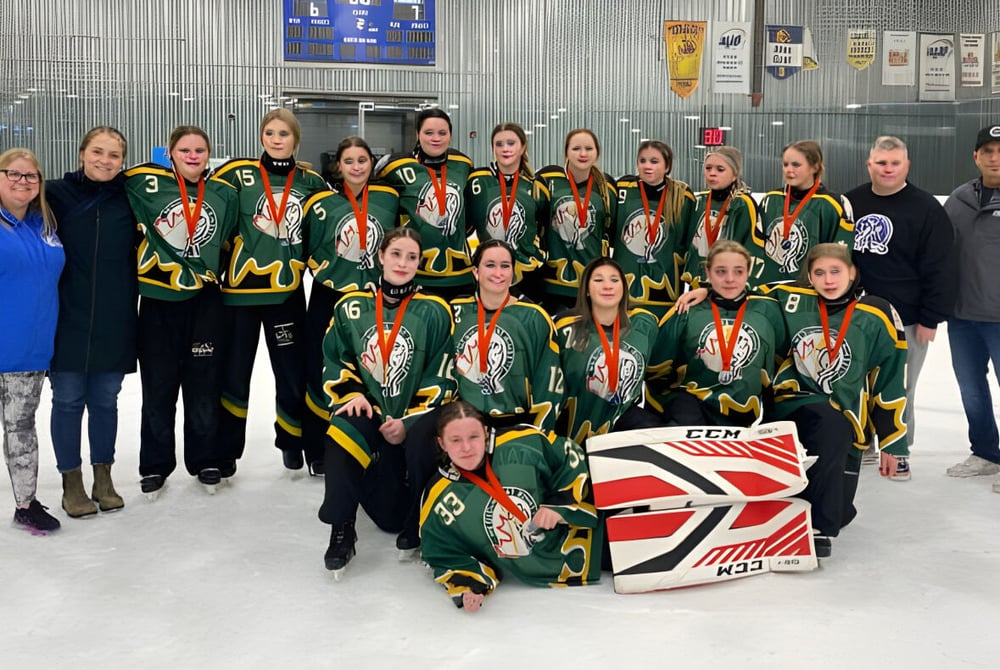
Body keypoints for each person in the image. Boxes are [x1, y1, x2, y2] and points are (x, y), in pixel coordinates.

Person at [318, 227, 455, 575]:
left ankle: (418, 520)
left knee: (392, 518)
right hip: (371, 411)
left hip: (412, 421)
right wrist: (350, 393)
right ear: (380, 256)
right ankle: (342, 528)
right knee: (342, 429)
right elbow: (335, 358)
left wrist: (408, 422)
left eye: (412, 257)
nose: (403, 263)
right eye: (396, 254)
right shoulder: (350, 305)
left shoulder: (435, 310)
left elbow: (442, 372)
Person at [766, 244, 907, 557]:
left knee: (841, 512)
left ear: (852, 273)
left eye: (835, 271)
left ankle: (821, 513)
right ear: (809, 277)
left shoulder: (876, 313)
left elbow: (891, 378)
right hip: (793, 403)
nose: (828, 280)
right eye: (819, 273)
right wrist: (704, 292)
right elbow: (737, 289)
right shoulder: (791, 300)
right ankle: (815, 527)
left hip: (848, 418)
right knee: (828, 425)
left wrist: (893, 443)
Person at [125, 126, 239, 497]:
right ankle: (155, 465)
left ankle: (206, 458)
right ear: (170, 153)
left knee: (204, 383)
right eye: (185, 150)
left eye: (200, 150)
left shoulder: (223, 193)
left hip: (205, 301)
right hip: (159, 300)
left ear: (208, 155)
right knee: (158, 386)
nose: (193, 156)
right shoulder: (146, 184)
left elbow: (229, 240)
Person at [214, 109, 328, 476]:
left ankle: (292, 442)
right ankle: (227, 449)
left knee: (291, 373)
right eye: (270, 133)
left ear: (296, 139)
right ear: (261, 137)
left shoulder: (311, 181)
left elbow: (325, 229)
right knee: (234, 373)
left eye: (284, 134)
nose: (276, 139)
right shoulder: (236, 174)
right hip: (237, 297)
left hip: (286, 294)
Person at [419, 401, 601, 612]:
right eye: (455, 440)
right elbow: (440, 552)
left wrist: (558, 503)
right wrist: (471, 585)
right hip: (542, 575)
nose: (466, 448)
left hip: (588, 538)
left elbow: (569, 455)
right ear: (442, 443)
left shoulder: (522, 441)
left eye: (474, 437)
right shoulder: (438, 498)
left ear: (486, 433)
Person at [846, 135, 957, 481]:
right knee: (856, 382)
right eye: (881, 163)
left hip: (907, 318)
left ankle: (899, 450)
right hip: (857, 316)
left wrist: (930, 317)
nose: (888, 169)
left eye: (895, 163)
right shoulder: (851, 202)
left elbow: (940, 265)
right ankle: (862, 444)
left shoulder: (926, 208)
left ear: (907, 166)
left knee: (902, 387)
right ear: (869, 165)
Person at [47, 126, 137, 517]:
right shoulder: (54, 194)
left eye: (114, 155)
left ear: (123, 161)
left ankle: (104, 477)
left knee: (105, 401)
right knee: (67, 401)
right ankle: (71, 482)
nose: (105, 160)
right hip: (66, 314)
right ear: (81, 153)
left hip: (115, 316)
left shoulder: (131, 198)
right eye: (97, 152)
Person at [300, 136, 400, 476]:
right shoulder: (321, 202)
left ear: (371, 164)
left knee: (369, 370)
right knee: (320, 370)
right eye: (349, 161)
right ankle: (317, 448)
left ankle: (367, 445)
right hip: (329, 295)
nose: (357, 166)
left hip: (373, 299)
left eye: (363, 160)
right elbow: (308, 246)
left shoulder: (388, 198)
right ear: (338, 166)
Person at [648, 240, 787, 427]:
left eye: (738, 271)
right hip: (691, 406)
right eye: (721, 271)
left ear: (748, 272)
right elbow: (657, 369)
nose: (730, 279)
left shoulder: (769, 310)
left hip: (741, 415)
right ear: (708, 272)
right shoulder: (687, 310)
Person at [0, 148, 64, 533]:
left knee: (21, 430)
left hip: (30, 350)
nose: (22, 181)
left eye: (31, 176)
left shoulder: (45, 225)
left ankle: (26, 503)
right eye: (14, 174)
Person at [450, 239, 563, 432]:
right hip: (464, 424)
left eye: (505, 266)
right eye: (490, 265)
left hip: (515, 425)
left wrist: (537, 434)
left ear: (513, 273)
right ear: (476, 272)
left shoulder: (535, 317)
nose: (498, 273)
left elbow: (548, 383)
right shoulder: (455, 312)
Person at [942, 124, 1000, 490]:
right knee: (971, 388)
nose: (995, 158)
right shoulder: (959, 199)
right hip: (963, 317)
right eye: (988, 151)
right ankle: (986, 453)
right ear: (976, 156)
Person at [553, 257, 662, 445]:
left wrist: (705, 291)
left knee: (655, 437)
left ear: (624, 287)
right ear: (586, 289)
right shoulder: (563, 327)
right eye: (598, 280)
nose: (607, 286)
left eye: (614, 280)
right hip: (574, 424)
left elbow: (660, 369)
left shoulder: (644, 323)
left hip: (623, 419)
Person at [376, 108, 474, 301]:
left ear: (450, 135)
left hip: (460, 275)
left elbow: (469, 212)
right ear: (417, 134)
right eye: (428, 133)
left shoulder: (463, 164)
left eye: (442, 133)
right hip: (414, 274)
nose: (435, 138)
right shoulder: (394, 166)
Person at [612, 140, 696, 320]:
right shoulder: (622, 189)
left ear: (667, 166)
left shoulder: (683, 196)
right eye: (642, 161)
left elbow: (689, 244)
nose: (647, 166)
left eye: (654, 161)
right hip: (625, 291)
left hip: (665, 292)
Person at [537, 129, 618, 314]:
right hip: (553, 284)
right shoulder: (549, 180)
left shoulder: (607, 187)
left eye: (588, 148)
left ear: (597, 152)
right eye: (576, 148)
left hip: (592, 285)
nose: (582, 154)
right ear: (566, 152)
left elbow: (612, 233)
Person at [464, 123, 546, 303]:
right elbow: (465, 225)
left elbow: (544, 229)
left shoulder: (537, 187)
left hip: (528, 274)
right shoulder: (477, 181)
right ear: (492, 148)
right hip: (490, 273)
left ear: (522, 146)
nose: (505, 149)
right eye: (499, 144)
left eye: (511, 143)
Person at [753, 140, 854, 285]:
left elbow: (841, 254)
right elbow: (756, 246)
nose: (788, 170)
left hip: (811, 291)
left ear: (815, 167)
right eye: (785, 164)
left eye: (796, 165)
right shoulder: (770, 199)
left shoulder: (834, 204)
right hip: (769, 288)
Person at [682, 146, 760, 287]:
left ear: (735, 174)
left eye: (720, 169)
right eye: (708, 168)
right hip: (697, 282)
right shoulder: (699, 202)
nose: (712, 173)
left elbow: (750, 248)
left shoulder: (741, 204)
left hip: (727, 284)